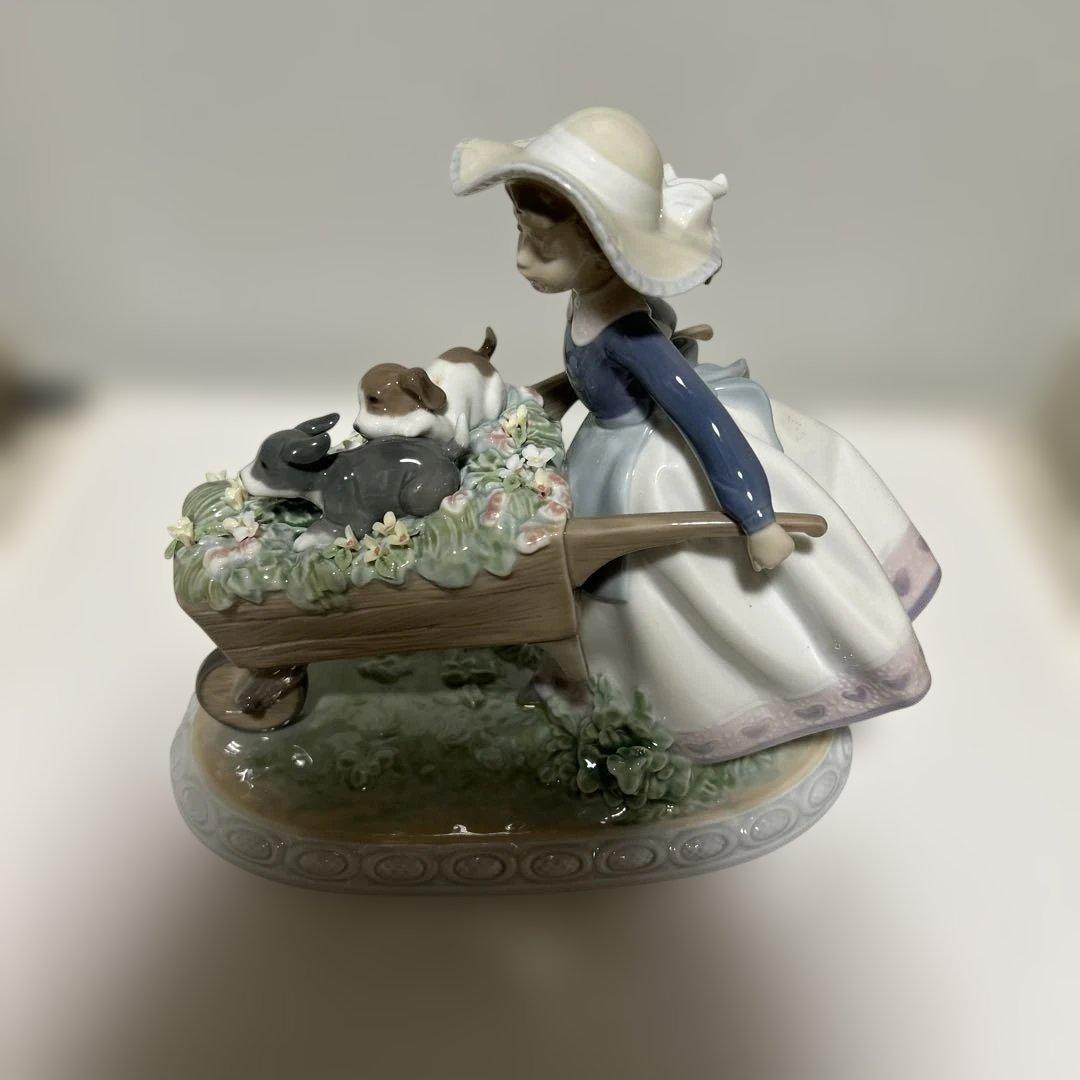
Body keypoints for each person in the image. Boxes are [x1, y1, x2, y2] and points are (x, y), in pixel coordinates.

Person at [451, 107, 939, 761]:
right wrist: (540, 400)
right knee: (592, 582)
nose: (521, 260)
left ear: (603, 249)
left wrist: (754, 515)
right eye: (521, 234)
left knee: (637, 585)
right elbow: (589, 377)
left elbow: (702, 418)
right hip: (606, 443)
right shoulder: (587, 299)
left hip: (640, 467)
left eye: (543, 246)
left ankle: (677, 697)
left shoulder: (631, 334)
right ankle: (596, 678)